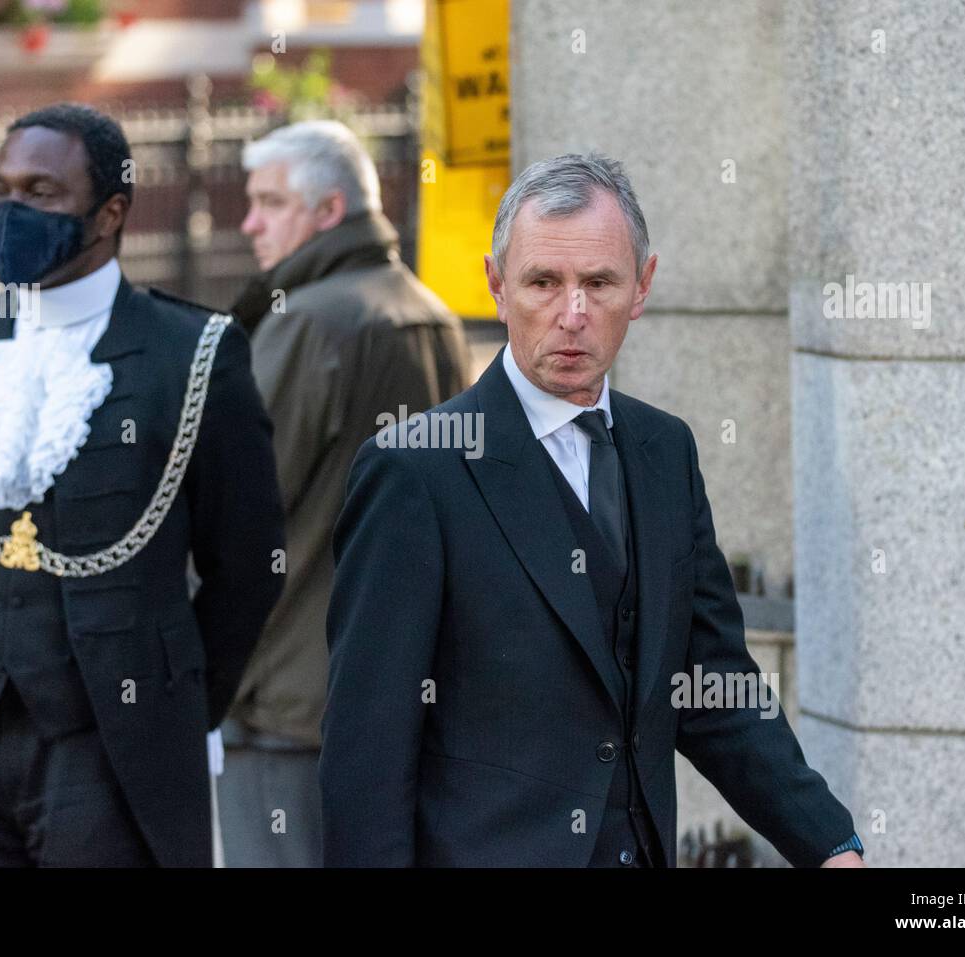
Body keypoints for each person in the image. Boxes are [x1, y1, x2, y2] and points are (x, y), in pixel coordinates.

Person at [320, 153, 866, 868]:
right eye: (544, 282)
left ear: (642, 287)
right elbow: (366, 757)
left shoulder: (664, 450)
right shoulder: (415, 471)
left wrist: (829, 842)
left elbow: (713, 688)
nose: (572, 315)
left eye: (599, 283)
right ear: (497, 284)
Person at [0, 103, 285, 867]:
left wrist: (176, 704)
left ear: (109, 211)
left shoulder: (194, 353)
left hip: (111, 748)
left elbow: (249, 568)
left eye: (41, 191)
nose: (10, 209)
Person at [219, 120, 470, 867]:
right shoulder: (431, 313)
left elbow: (230, 514)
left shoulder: (310, 323)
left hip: (285, 703)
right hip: (398, 689)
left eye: (270, 202)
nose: (249, 222)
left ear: (329, 211)